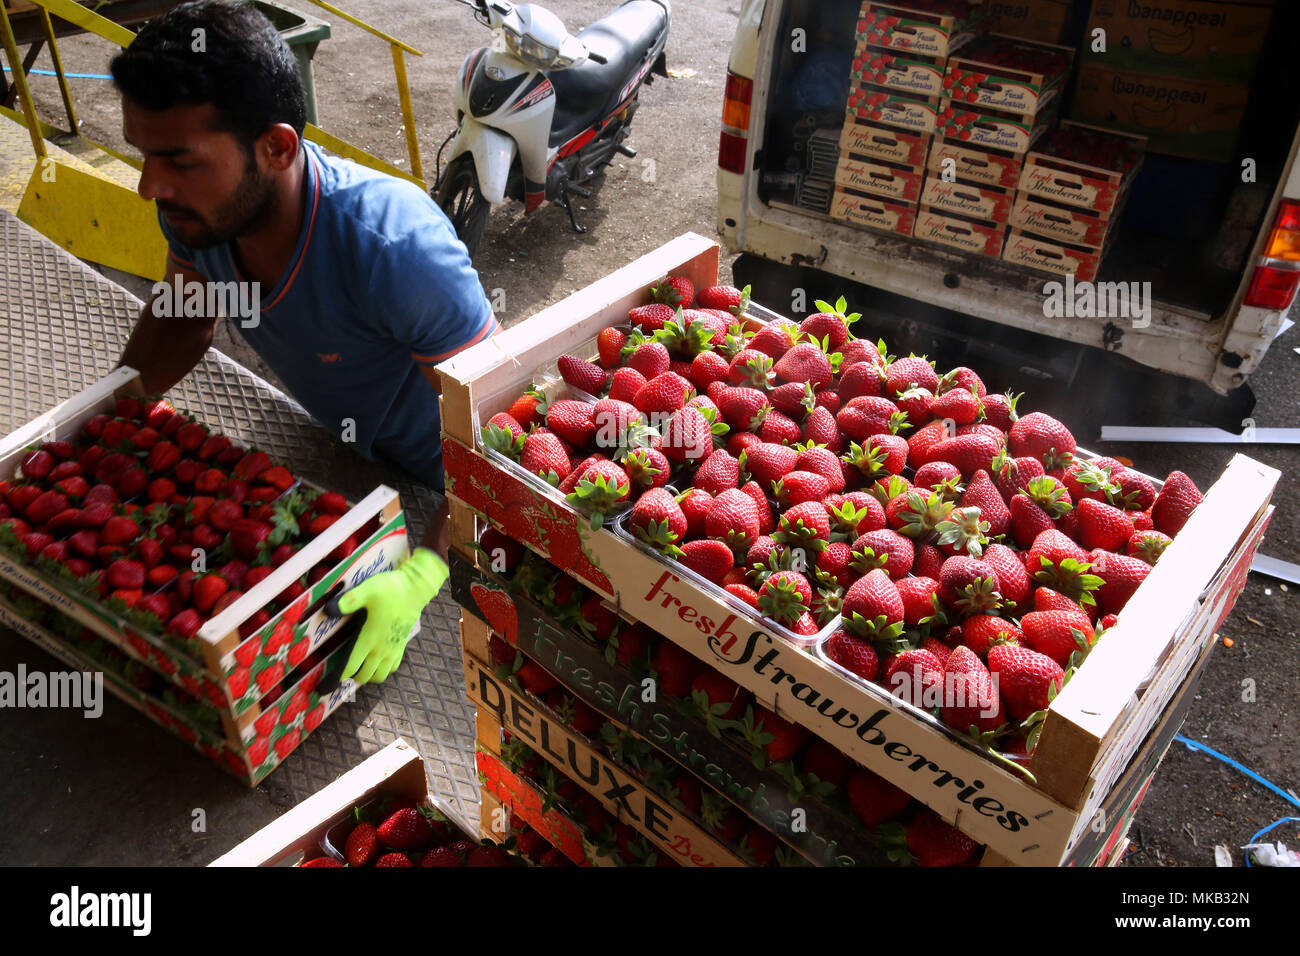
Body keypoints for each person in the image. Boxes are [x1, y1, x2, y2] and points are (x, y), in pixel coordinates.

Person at [110, 0, 496, 683]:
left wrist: (426, 572)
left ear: (278, 147)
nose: (149, 187)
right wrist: (111, 416)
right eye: (144, 155)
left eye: (177, 160)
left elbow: (494, 436)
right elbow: (184, 318)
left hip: (448, 486)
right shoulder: (199, 215)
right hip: (342, 457)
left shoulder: (397, 251)